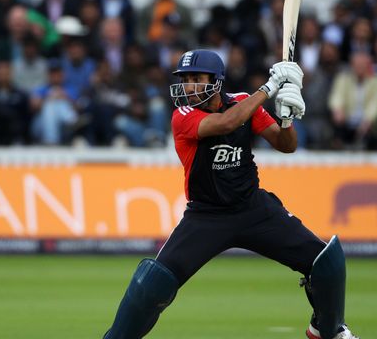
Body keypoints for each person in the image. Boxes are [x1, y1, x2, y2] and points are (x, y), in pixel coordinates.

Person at [103, 50, 359, 339]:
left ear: (217, 81)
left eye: (197, 79)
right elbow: (226, 123)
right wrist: (269, 88)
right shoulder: (183, 116)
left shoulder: (242, 103)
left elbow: (286, 145)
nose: (189, 86)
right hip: (206, 216)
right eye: (185, 80)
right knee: (151, 283)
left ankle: (329, 330)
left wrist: (287, 118)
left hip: (254, 210)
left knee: (326, 263)